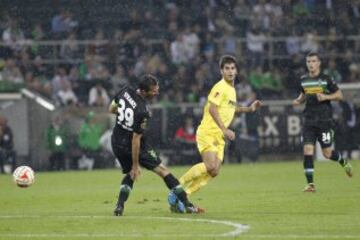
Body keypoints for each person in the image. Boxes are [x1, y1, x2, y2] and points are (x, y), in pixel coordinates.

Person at [168, 55, 262, 210]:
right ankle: (177, 188)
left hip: (219, 136)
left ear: (236, 70)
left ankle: (184, 194)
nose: (230, 71)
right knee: (210, 165)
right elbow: (212, 108)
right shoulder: (220, 87)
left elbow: (232, 108)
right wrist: (224, 129)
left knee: (214, 171)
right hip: (208, 132)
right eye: (227, 68)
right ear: (221, 71)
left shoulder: (232, 90)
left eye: (232, 68)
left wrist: (249, 109)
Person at [109, 74, 203, 216]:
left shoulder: (125, 91)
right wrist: (135, 164)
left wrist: (124, 118)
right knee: (163, 171)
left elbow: (111, 109)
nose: (156, 92)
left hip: (117, 142)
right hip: (133, 144)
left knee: (131, 175)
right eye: (153, 90)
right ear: (144, 91)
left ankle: (119, 205)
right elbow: (136, 139)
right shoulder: (143, 111)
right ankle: (188, 205)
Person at [292, 52, 353, 193]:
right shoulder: (303, 80)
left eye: (313, 61)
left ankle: (344, 163)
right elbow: (303, 96)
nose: (311, 64)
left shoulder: (326, 79)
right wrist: (297, 101)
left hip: (324, 121)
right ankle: (310, 184)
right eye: (308, 61)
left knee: (327, 153)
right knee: (307, 150)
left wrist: (326, 96)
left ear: (319, 63)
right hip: (308, 121)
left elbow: (339, 95)